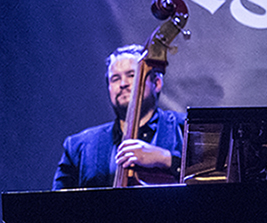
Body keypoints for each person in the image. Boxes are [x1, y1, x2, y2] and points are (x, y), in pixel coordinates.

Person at [52, 45, 184, 189]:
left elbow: (207, 180)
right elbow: (58, 206)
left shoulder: (186, 129)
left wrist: (167, 159)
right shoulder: (78, 146)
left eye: (132, 75)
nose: (122, 84)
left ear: (157, 83)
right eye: (115, 78)